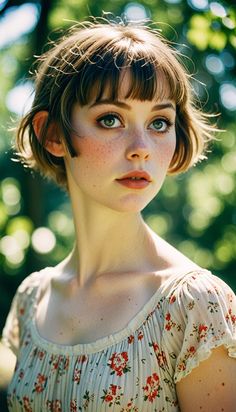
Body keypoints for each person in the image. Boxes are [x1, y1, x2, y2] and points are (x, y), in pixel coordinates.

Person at [1, 16, 236, 412]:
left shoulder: (196, 305)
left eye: (160, 122)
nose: (141, 147)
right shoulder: (32, 299)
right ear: (53, 134)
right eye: (110, 119)